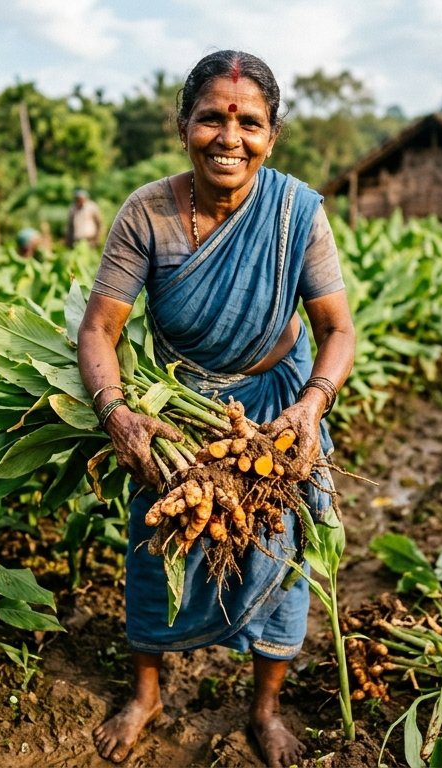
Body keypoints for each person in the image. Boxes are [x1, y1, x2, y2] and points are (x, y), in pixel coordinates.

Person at [77, 50, 355, 768]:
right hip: (181, 414)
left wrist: (311, 409)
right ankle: (147, 692)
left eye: (249, 122)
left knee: (283, 544)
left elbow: (337, 331)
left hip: (275, 407)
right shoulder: (147, 213)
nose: (229, 137)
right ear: (183, 125)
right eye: (211, 118)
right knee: (154, 540)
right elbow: (99, 329)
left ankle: (263, 708)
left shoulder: (296, 213)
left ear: (272, 134)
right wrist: (119, 415)